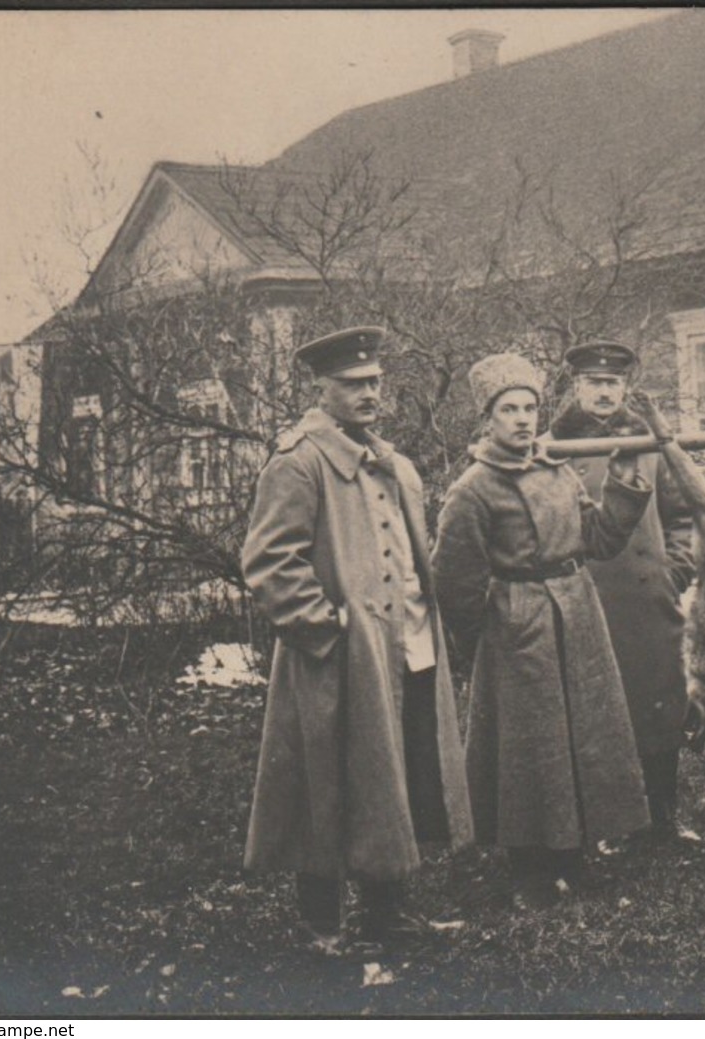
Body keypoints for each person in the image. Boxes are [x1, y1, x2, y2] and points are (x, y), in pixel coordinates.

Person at [241, 326, 475, 957]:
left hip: (406, 646)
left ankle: (386, 916)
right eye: (353, 384)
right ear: (321, 389)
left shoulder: (394, 464)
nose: (370, 394)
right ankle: (322, 925)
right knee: (325, 782)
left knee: (391, 775)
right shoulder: (299, 463)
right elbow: (269, 561)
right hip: (337, 657)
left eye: (374, 382)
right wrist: (325, 627)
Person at [431, 352, 652, 908]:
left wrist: (624, 481)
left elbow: (599, 539)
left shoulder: (558, 469)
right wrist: (483, 634)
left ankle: (574, 851)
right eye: (509, 410)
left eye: (530, 408)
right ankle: (529, 863)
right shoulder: (474, 489)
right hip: (518, 621)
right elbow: (454, 579)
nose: (524, 420)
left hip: (577, 611)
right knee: (530, 745)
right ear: (487, 419)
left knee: (581, 732)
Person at [544, 341, 699, 843]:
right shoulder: (551, 448)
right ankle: (606, 820)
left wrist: (676, 567)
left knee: (658, 701)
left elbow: (683, 515)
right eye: (594, 382)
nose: (604, 391)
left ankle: (665, 815)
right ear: (576, 387)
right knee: (593, 707)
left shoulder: (651, 445)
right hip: (586, 597)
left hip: (648, 599)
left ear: (626, 387)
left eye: (613, 383)